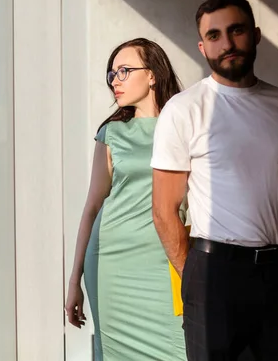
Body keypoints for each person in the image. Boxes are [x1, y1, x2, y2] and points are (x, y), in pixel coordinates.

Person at [150, 0, 278, 361]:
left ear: (255, 35)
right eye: (214, 35)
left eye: (236, 30)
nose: (226, 44)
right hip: (215, 275)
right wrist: (198, 276)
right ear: (202, 45)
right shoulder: (184, 110)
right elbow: (164, 210)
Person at [65, 38, 187, 360]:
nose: (115, 81)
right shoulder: (112, 133)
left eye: (124, 71)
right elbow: (92, 207)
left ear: (152, 75)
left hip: (168, 262)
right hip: (111, 264)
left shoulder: (185, 126)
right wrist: (74, 279)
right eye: (112, 74)